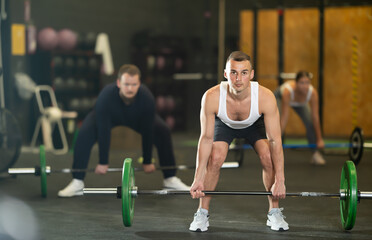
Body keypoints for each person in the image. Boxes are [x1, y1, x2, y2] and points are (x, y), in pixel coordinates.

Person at [189, 51, 288, 232]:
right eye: (233, 72)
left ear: (251, 74)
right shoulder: (211, 97)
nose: (238, 78)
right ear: (226, 74)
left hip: (253, 123)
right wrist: (198, 178)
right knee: (216, 157)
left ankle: (274, 211)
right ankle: (202, 212)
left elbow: (275, 140)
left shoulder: (265, 97)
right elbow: (206, 139)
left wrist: (280, 180)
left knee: (267, 155)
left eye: (244, 73)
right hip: (224, 124)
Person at [58, 64, 190, 197]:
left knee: (163, 131)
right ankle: (77, 181)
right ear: (118, 83)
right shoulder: (105, 97)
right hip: (108, 118)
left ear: (139, 84)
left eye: (134, 84)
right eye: (126, 84)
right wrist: (103, 161)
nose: (130, 88)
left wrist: (147, 160)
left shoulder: (147, 98)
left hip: (137, 118)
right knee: (84, 133)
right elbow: (103, 129)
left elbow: (148, 130)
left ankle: (170, 178)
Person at [275, 71, 325, 165]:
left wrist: (319, 139)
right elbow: (285, 118)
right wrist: (278, 140)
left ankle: (315, 154)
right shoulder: (287, 91)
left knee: (310, 123)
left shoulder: (312, 93)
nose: (305, 86)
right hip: (280, 97)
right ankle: (275, 153)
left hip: (300, 104)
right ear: (296, 83)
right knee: (276, 122)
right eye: (302, 83)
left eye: (307, 82)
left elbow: (315, 117)